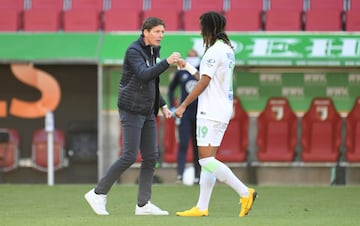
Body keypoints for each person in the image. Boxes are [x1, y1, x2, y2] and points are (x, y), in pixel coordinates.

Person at [85, 17, 180, 216]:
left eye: (163, 31)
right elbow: (144, 74)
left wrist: (162, 105)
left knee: (151, 157)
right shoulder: (134, 51)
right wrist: (167, 62)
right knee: (129, 155)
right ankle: (97, 193)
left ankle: (143, 204)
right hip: (131, 108)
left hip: (147, 110)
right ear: (145, 32)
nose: (161, 35)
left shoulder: (154, 51)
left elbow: (151, 82)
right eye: (157, 31)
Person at [174, 11, 257, 217]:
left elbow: (204, 82)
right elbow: (206, 77)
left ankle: (245, 192)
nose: (200, 30)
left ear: (209, 28)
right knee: (208, 160)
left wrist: (183, 104)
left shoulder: (214, 51)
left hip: (210, 110)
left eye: (202, 26)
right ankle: (202, 207)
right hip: (221, 108)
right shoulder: (226, 49)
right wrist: (188, 67)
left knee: (204, 160)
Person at [168, 49, 201, 184]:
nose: (191, 58)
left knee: (197, 145)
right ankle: (180, 175)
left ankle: (198, 176)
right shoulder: (181, 72)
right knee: (183, 143)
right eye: (189, 56)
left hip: (198, 112)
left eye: (194, 56)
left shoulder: (201, 71)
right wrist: (172, 106)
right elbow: (171, 89)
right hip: (185, 113)